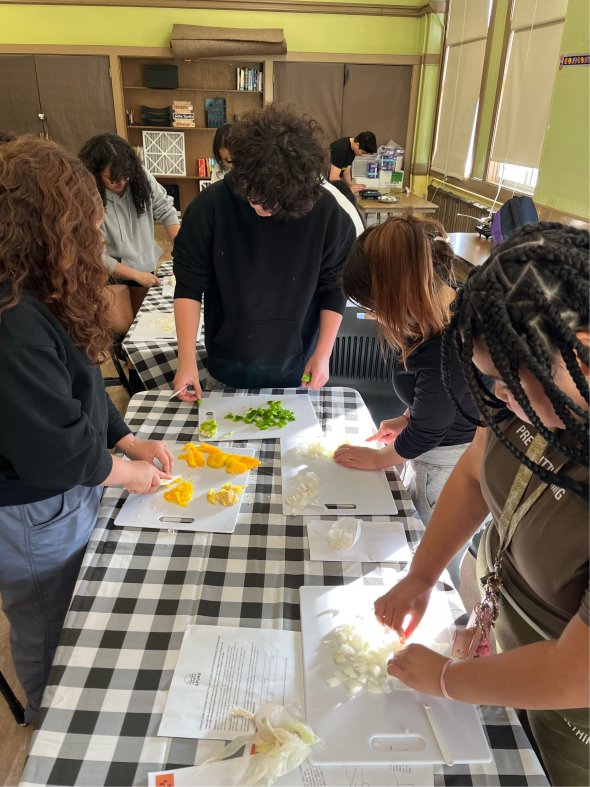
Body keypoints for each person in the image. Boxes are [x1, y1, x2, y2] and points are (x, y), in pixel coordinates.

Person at [374, 223, 589, 786]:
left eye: (507, 382)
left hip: (568, 721)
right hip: (503, 653)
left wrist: (447, 680)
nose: (496, 399)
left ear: (583, 357)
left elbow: (574, 673)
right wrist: (422, 575)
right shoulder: (529, 411)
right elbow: (474, 474)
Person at [0, 137, 174, 725]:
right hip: (31, 510)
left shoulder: (35, 292)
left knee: (76, 605)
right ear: (51, 229)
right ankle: (53, 727)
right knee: (52, 625)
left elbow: (79, 392)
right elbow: (58, 450)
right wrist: (129, 474)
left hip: (55, 498)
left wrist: (127, 440)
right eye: (88, 225)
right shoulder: (11, 324)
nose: (96, 237)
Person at [172, 104, 356, 397]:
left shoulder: (326, 214)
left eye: (276, 203)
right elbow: (189, 286)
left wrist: (323, 354)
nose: (262, 208)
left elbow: (334, 288)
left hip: (297, 364)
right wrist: (186, 362)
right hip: (226, 363)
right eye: (254, 196)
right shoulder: (209, 208)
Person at [333, 216, 478, 585]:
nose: (372, 315)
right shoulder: (434, 312)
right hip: (435, 450)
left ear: (400, 294)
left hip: (445, 467)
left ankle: (446, 632)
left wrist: (381, 458)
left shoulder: (448, 344)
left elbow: (430, 429)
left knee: (432, 560)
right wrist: (405, 416)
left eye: (374, 306)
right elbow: (433, 402)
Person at [79, 133, 180, 333]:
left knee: (146, 329)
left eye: (125, 176)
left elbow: (166, 209)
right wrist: (136, 275)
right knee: (124, 330)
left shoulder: (140, 177)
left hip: (145, 267)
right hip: (109, 273)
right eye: (112, 178)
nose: (121, 182)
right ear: (95, 173)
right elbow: (95, 253)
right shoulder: (87, 195)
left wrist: (182, 245)